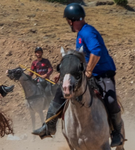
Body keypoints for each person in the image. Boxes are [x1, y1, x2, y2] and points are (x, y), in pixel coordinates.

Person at [32, 3, 124, 147]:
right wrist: (65, 74)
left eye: (68, 21)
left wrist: (88, 71)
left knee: (110, 99)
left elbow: (96, 52)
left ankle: (117, 133)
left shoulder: (88, 32)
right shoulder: (80, 34)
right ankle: (49, 126)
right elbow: (78, 58)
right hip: (88, 74)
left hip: (103, 74)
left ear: (70, 20)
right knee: (61, 92)